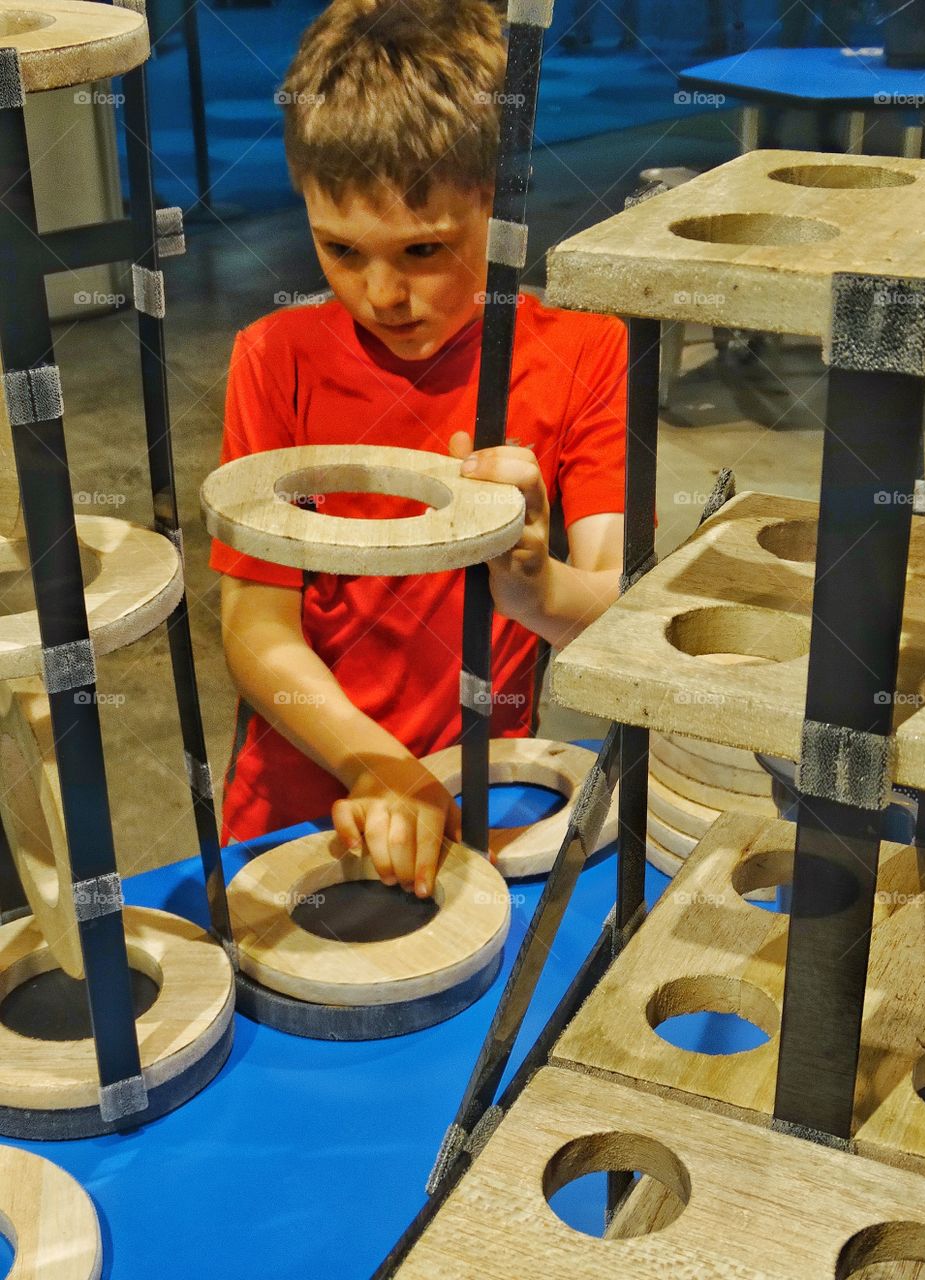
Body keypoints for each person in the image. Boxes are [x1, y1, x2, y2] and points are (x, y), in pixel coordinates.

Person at [209, 0, 628, 901]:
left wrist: (533, 588)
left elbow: (613, 620)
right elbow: (254, 626)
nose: (381, 293)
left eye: (425, 248)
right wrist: (384, 771)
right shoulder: (274, 359)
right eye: (339, 249)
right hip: (296, 811)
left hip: (484, 805)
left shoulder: (585, 356)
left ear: (496, 197)